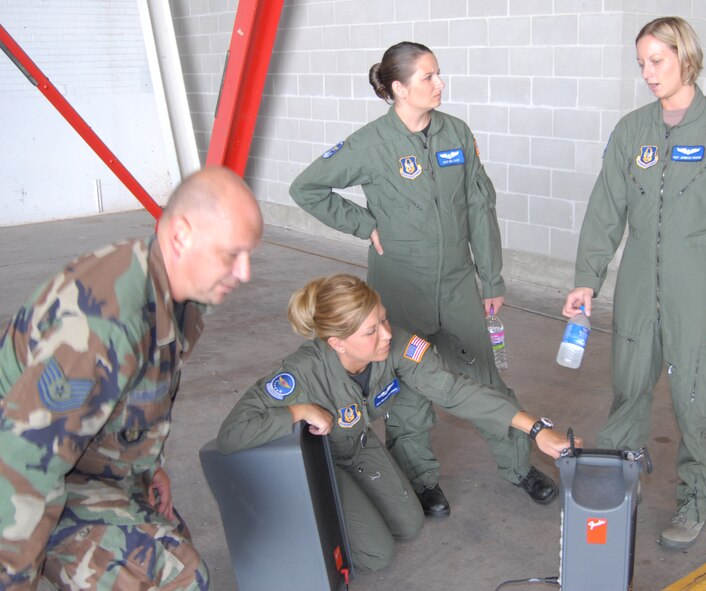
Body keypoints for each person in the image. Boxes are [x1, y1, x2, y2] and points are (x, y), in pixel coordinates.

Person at [289, 41, 556, 516]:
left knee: (484, 377)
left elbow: (480, 205)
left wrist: (491, 279)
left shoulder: (456, 133)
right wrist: (364, 225)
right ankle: (421, 479)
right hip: (399, 284)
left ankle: (518, 467)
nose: (440, 84)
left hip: (457, 282)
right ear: (398, 88)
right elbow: (305, 187)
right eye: (428, 77)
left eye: (438, 74)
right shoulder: (370, 144)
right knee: (407, 387)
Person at [0, 167, 264, 589]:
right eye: (232, 255)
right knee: (172, 576)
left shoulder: (176, 295)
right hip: (19, 466)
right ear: (180, 236)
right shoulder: (104, 326)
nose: (246, 272)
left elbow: (137, 396)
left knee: (172, 543)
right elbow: (20, 470)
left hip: (73, 456)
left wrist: (146, 466)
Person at [561, 16, 706, 551]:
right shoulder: (633, 130)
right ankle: (620, 490)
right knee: (628, 391)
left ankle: (696, 499)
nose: (648, 74)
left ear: (685, 56)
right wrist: (587, 278)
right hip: (635, 289)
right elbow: (606, 207)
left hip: (697, 289)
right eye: (642, 64)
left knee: (698, 399)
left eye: (658, 61)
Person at [218, 274, 577, 572]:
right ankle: (304, 521)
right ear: (337, 343)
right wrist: (297, 412)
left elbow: (455, 391)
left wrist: (535, 429)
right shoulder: (300, 374)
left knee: (409, 524)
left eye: (384, 319)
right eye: (371, 331)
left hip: (358, 445)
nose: (387, 334)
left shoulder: (398, 346)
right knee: (377, 555)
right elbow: (232, 434)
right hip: (318, 460)